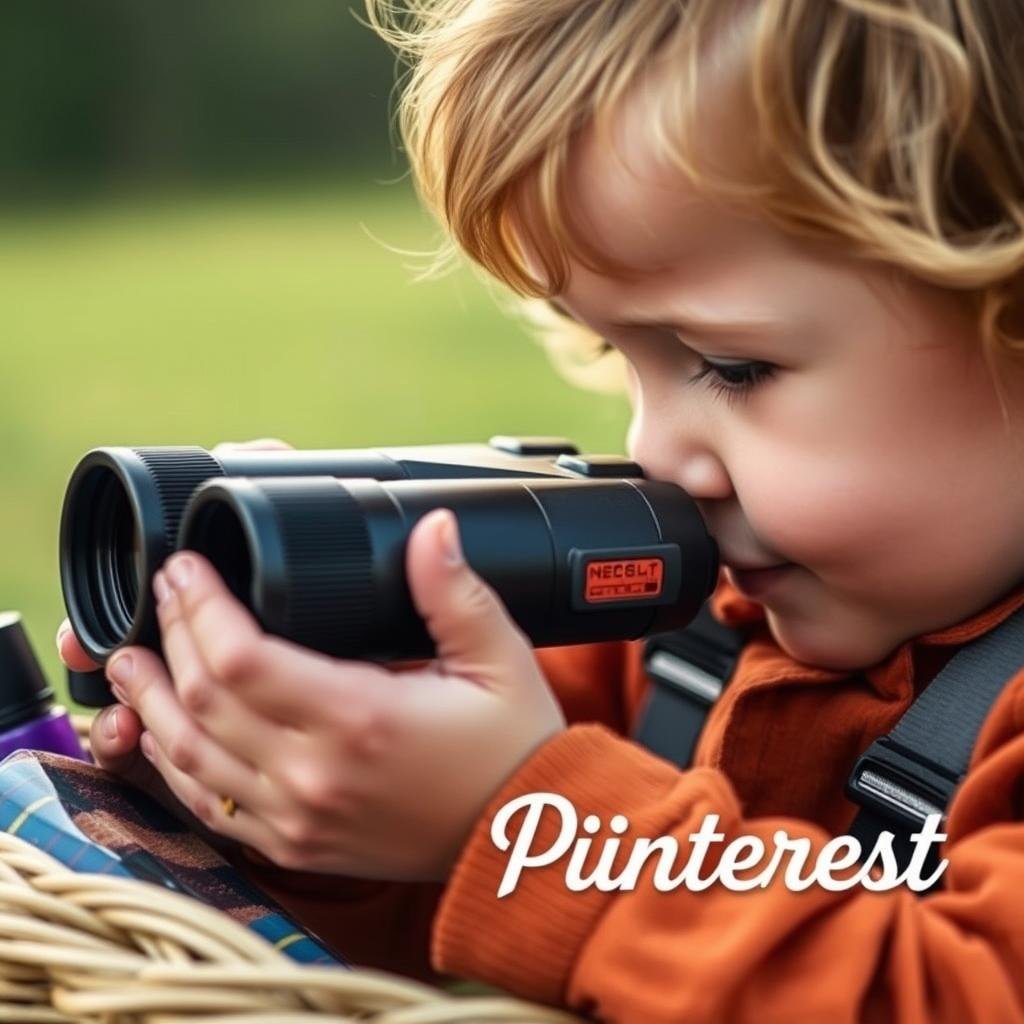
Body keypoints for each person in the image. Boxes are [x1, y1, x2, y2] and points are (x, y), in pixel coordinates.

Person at [58, 0, 1024, 1019]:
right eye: (619, 356)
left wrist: (526, 820)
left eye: (732, 366)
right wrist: (277, 787)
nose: (650, 448)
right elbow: (432, 908)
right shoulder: (683, 638)